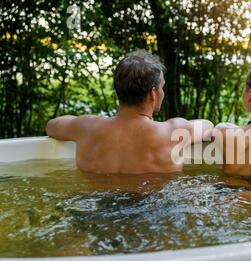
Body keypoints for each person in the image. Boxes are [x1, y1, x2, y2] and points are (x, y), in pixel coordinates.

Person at [46, 50, 213, 174]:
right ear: (153, 94)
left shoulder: (86, 127)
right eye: (161, 87)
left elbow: (51, 127)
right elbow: (208, 126)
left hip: (97, 212)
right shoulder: (173, 131)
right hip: (152, 213)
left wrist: (88, 123)